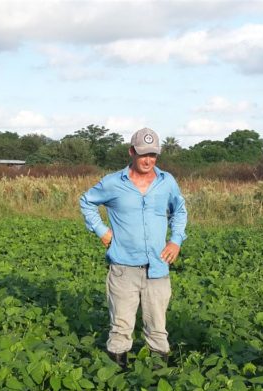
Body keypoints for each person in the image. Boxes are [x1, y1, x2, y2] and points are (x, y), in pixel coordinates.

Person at [80, 127, 187, 369]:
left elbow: (179, 211)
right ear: (131, 152)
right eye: (142, 154)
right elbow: (86, 201)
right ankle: (117, 384)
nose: (148, 160)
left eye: (153, 154)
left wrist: (176, 240)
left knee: (158, 329)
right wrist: (102, 231)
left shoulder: (167, 182)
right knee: (120, 329)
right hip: (123, 269)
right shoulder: (113, 183)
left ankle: (158, 382)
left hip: (158, 268)